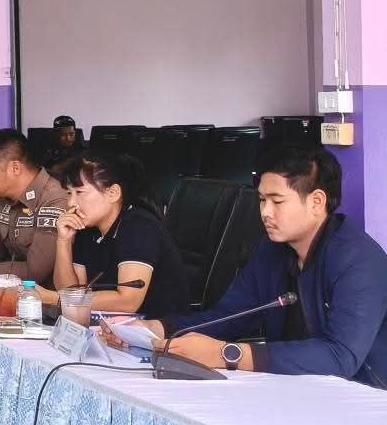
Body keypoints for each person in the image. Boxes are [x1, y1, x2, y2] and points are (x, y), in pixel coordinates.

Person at [110, 146, 387, 383]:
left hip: (365, 398)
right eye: (262, 200)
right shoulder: (273, 249)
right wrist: (156, 328)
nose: (265, 212)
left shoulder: (358, 261)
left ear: (316, 202)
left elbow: (340, 357)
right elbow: (229, 317)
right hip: (295, 389)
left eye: (277, 201)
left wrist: (227, 354)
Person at [52, 151, 191, 313]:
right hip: (108, 323)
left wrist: (55, 298)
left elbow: (127, 301)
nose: (71, 203)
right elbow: (70, 290)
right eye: (69, 193)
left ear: (113, 193)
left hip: (158, 324)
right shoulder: (87, 229)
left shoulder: (139, 226)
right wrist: (63, 241)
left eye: (79, 192)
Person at [0, 129, 70, 285]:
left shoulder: (54, 199)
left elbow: (35, 272)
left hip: (46, 296)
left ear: (15, 168)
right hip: (9, 291)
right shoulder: (5, 197)